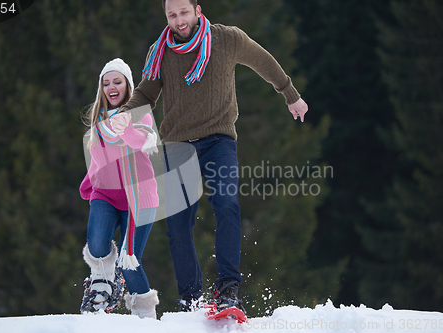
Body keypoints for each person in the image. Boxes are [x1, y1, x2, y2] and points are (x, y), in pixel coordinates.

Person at [111, 0, 309, 313]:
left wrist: (291, 96)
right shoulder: (160, 51)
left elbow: (264, 62)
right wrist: (124, 114)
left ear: (198, 10)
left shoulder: (227, 39)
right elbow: (146, 95)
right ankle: (191, 299)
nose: (178, 21)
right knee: (178, 228)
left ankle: (228, 290)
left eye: (183, 13)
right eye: (172, 15)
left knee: (227, 205)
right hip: (177, 145)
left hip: (218, 140)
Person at [79, 58, 160, 319]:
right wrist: (89, 184)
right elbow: (98, 158)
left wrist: (125, 127)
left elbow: (141, 143)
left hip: (139, 198)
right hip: (105, 194)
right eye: (106, 83)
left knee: (129, 263)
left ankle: (146, 317)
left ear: (128, 85)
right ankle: (102, 289)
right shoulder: (97, 118)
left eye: (117, 81)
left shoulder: (141, 113)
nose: (111, 87)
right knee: (97, 244)